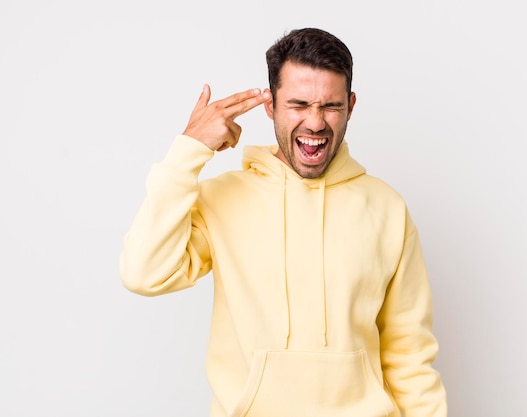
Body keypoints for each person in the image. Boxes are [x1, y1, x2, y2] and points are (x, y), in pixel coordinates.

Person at [119, 27, 447, 417]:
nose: (315, 123)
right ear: (270, 106)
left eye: (330, 106)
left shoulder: (387, 208)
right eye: (299, 104)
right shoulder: (223, 199)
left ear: (351, 106)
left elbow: (409, 355)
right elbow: (144, 273)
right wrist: (188, 151)